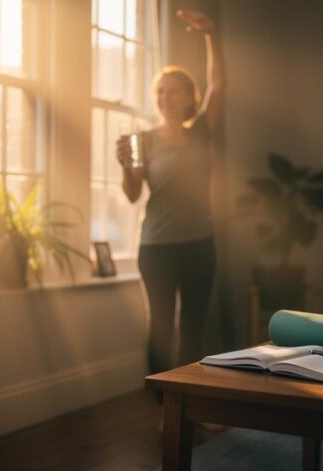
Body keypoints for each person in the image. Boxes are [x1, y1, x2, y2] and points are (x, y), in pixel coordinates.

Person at [117, 9, 226, 386]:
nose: (164, 97)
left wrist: (211, 34)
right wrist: (125, 170)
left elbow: (218, 85)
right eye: (159, 92)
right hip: (157, 247)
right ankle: (164, 408)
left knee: (193, 328)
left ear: (188, 98)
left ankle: (190, 404)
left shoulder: (200, 131)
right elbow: (133, 195)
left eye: (172, 91)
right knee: (161, 327)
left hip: (200, 244)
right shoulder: (142, 140)